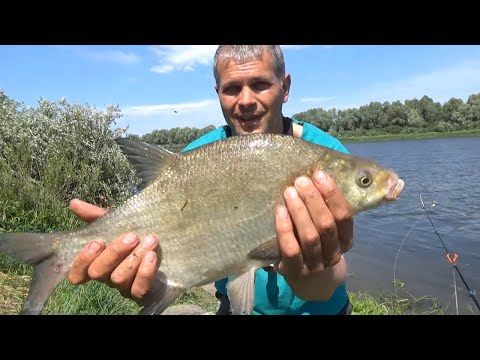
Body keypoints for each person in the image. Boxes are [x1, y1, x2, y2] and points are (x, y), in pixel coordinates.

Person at [68, 45, 354, 315]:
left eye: (259, 84)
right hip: (234, 304)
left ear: (285, 87)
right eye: (232, 88)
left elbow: (331, 279)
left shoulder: (327, 160)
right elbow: (165, 238)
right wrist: (136, 260)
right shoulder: (194, 159)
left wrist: (309, 271)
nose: (246, 101)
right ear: (218, 93)